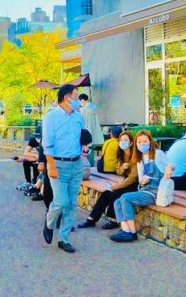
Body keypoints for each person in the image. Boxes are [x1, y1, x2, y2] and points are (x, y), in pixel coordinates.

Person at [41, 84, 86, 254]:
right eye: (76, 95)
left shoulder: (78, 117)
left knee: (72, 204)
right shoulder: (51, 117)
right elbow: (47, 145)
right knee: (61, 201)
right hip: (58, 164)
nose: (79, 100)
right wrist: (51, 166)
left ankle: (63, 239)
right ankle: (49, 222)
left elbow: (83, 137)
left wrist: (85, 144)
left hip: (76, 164)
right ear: (67, 97)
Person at [79, 129, 141, 230]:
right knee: (107, 193)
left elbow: (132, 178)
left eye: (125, 140)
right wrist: (122, 168)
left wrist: (116, 186)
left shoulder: (136, 156)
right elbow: (119, 172)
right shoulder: (121, 153)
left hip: (136, 184)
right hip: (126, 181)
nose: (123, 142)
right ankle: (91, 219)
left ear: (131, 142)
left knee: (115, 193)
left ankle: (113, 220)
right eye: (121, 140)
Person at [110, 136, 165, 243]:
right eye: (139, 142)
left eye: (145, 141)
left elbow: (171, 165)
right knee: (117, 202)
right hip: (143, 189)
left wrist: (168, 171)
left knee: (125, 197)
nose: (142, 144)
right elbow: (140, 180)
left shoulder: (158, 154)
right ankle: (126, 230)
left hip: (154, 192)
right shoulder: (140, 159)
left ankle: (132, 233)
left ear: (150, 141)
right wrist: (143, 180)